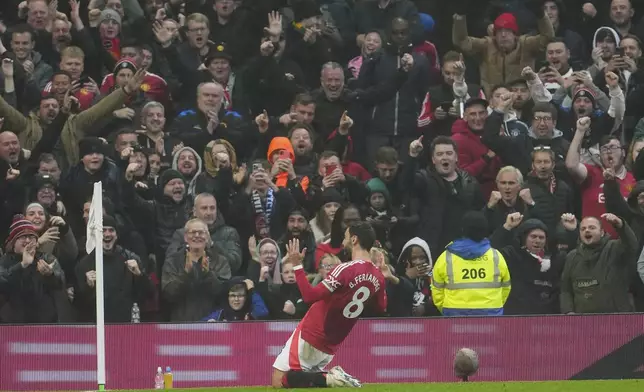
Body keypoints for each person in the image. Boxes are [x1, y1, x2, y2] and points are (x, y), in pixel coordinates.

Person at [271, 222, 387, 388]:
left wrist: (297, 265)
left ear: (354, 239)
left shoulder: (345, 269)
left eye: (346, 236)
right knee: (307, 380)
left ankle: (331, 378)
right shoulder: (378, 276)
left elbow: (309, 296)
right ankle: (327, 378)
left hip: (314, 331)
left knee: (279, 380)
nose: (343, 239)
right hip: (334, 340)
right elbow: (381, 308)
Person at [431, 211, 511, 316]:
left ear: (462, 230)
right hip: (491, 315)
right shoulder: (496, 256)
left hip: (454, 315)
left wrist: (446, 310)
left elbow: (436, 290)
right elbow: (506, 287)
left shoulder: (446, 257)